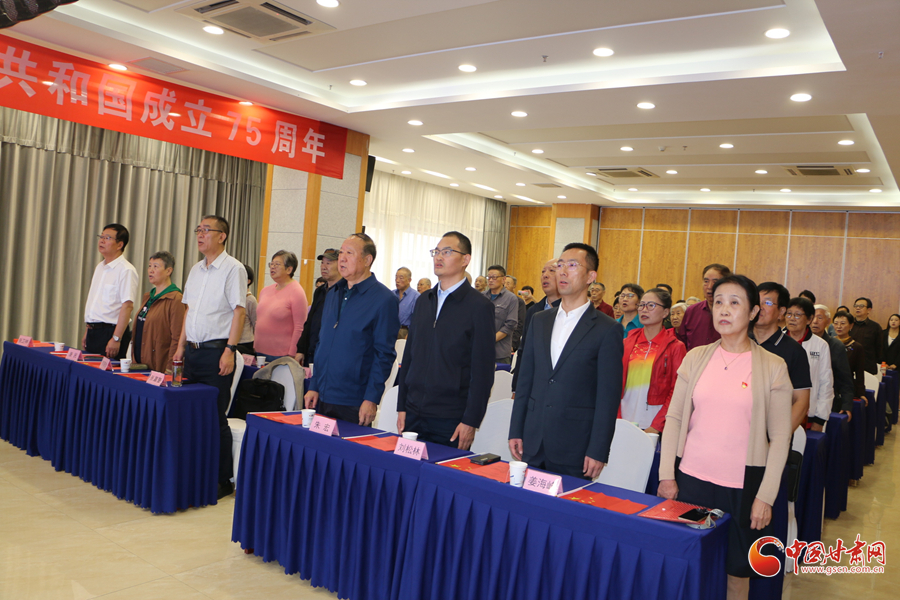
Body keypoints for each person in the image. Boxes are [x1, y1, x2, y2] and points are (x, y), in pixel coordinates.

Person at [659, 275, 793, 598]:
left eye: (735, 303)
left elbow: (780, 437)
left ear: (753, 312)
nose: (724, 309)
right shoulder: (696, 357)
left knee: (736, 572)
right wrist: (666, 475)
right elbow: (674, 418)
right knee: (690, 563)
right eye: (718, 302)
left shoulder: (773, 366)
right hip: (691, 482)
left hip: (742, 488)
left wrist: (766, 496)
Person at [509, 243, 623, 479]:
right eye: (559, 265)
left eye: (572, 265)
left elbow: (607, 397)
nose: (562, 271)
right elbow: (525, 380)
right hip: (533, 439)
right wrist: (516, 429)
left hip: (575, 445)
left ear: (591, 276)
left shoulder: (607, 329)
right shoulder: (539, 320)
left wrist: (598, 450)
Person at [396, 232, 495, 449]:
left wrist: (470, 420)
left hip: (450, 416)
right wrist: (401, 405)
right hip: (413, 411)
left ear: (465, 259)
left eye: (447, 252)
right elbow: (409, 356)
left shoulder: (479, 306)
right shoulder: (424, 301)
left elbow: (483, 371)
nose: (439, 257)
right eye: (436, 252)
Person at [172, 215, 247, 500]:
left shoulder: (233, 268)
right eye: (198, 230)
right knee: (191, 414)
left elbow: (239, 311)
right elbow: (188, 311)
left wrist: (230, 350)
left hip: (217, 352)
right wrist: (180, 347)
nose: (200, 235)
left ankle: (222, 479)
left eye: (206, 230)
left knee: (215, 417)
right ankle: (196, 469)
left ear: (222, 236)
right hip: (192, 351)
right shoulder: (195, 270)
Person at [304, 233, 399, 426]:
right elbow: (323, 342)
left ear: (367, 260)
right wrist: (314, 384)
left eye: (349, 253)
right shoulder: (333, 293)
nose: (342, 258)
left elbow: (384, 355)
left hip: (354, 399)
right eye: (341, 253)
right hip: (323, 394)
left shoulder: (384, 299)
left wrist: (371, 398)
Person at [620, 288, 686, 433]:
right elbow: (614, 383)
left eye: (651, 305)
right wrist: (617, 417)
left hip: (654, 423)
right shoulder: (626, 342)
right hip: (623, 419)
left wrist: (657, 426)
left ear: (665, 312)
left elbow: (677, 390)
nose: (644, 310)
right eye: (641, 305)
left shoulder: (675, 347)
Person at [753, 282, 811, 432]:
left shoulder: (794, 351)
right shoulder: (740, 343)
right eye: (757, 301)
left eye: (767, 303)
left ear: (781, 312)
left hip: (772, 433)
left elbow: (801, 402)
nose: (760, 307)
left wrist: (778, 437)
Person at [83, 223, 139, 358]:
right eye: (101, 237)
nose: (102, 241)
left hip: (110, 332)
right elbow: (95, 303)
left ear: (120, 245)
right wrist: (87, 331)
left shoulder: (126, 270)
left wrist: (116, 338)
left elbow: (127, 306)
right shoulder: (100, 267)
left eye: (107, 238)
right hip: (93, 332)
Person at [512, 258, 562, 394]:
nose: (545, 275)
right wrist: (516, 388)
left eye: (552, 271)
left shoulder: (569, 311)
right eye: (543, 272)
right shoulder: (534, 311)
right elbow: (524, 351)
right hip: (534, 384)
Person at [785, 298, 834, 431]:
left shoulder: (820, 345)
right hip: (777, 411)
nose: (791, 318)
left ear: (809, 319)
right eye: (789, 314)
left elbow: (826, 383)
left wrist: (820, 419)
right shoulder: (777, 341)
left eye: (797, 315)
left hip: (808, 414)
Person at [133, 251, 183, 373]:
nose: (151, 270)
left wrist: (171, 368)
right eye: (150, 266)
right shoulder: (148, 296)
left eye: (156, 266)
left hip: (159, 366)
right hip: (140, 364)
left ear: (168, 271)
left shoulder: (176, 299)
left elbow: (177, 337)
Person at [255, 251, 308, 362]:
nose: (272, 267)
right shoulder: (265, 290)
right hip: (259, 351)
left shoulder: (297, 292)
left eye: (277, 264)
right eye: (271, 264)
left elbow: (300, 327)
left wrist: (292, 354)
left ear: (289, 269)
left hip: (282, 354)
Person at [296, 249, 341, 366]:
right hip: (312, 350)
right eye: (322, 263)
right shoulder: (320, 291)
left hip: (330, 354)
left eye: (328, 263)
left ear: (340, 265)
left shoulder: (344, 292)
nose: (323, 267)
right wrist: (301, 349)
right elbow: (310, 321)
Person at [812, 304, 856, 416]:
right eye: (812, 317)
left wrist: (846, 405)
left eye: (820, 318)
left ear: (828, 321)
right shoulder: (799, 342)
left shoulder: (836, 345)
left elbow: (845, 378)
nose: (815, 321)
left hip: (828, 400)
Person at [676, 263, 731, 351]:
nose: (709, 286)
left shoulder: (732, 312)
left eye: (715, 282)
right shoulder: (691, 311)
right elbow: (681, 343)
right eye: (706, 281)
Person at [484, 265, 518, 364]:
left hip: (500, 353)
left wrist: (491, 339)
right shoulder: (481, 296)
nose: (490, 280)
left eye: (494, 277)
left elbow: (510, 325)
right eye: (489, 277)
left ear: (503, 279)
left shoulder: (511, 298)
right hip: (481, 350)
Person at [833, 311, 868, 403]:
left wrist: (861, 393)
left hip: (847, 387)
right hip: (829, 386)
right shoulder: (827, 343)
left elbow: (859, 373)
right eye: (836, 323)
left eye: (842, 323)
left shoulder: (857, 347)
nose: (839, 326)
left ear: (851, 326)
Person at [851, 297, 883, 374]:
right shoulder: (849, 324)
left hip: (867, 366)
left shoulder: (875, 327)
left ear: (869, 310)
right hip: (850, 365)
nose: (858, 308)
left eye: (861, 306)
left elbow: (879, 348)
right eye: (856, 306)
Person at [393, 267, 419, 339]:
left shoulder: (415, 297)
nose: (397, 281)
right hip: (390, 329)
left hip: (404, 332)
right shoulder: (391, 294)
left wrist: (410, 334)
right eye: (396, 277)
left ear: (409, 280)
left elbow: (417, 320)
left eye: (401, 278)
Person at [237, 264, 257, 356]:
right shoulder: (232, 297)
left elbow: (256, 323)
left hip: (245, 342)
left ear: (248, 281)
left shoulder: (250, 300)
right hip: (230, 340)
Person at [504, 275, 527, 353]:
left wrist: (513, 343)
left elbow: (520, 323)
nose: (505, 285)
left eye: (508, 283)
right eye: (504, 283)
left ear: (514, 286)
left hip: (510, 342)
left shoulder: (519, 302)